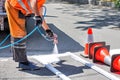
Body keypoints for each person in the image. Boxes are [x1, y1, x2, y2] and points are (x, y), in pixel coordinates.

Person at [5, 0, 54, 70]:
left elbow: (40, 13)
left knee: (19, 32)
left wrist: (48, 30)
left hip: (18, 7)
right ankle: (23, 63)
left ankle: (21, 60)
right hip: (14, 6)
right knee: (19, 33)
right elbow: (33, 2)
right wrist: (37, 16)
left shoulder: (41, 2)